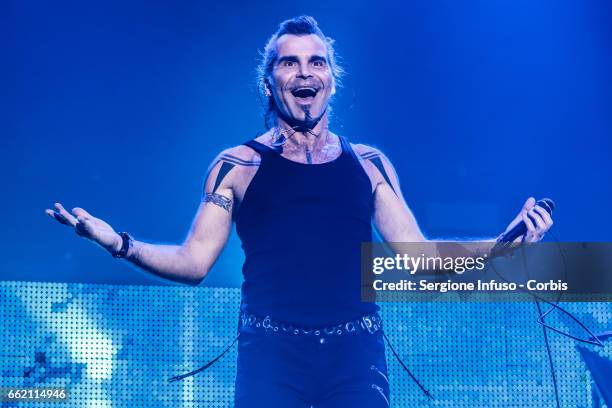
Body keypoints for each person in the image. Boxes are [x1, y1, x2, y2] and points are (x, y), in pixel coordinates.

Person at [46, 15, 553, 408]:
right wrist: (117, 243)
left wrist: (505, 244)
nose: (304, 72)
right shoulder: (237, 165)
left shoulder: (370, 164)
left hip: (356, 355)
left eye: (316, 62)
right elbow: (195, 262)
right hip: (272, 354)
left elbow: (420, 260)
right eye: (289, 63)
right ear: (269, 82)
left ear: (332, 81)